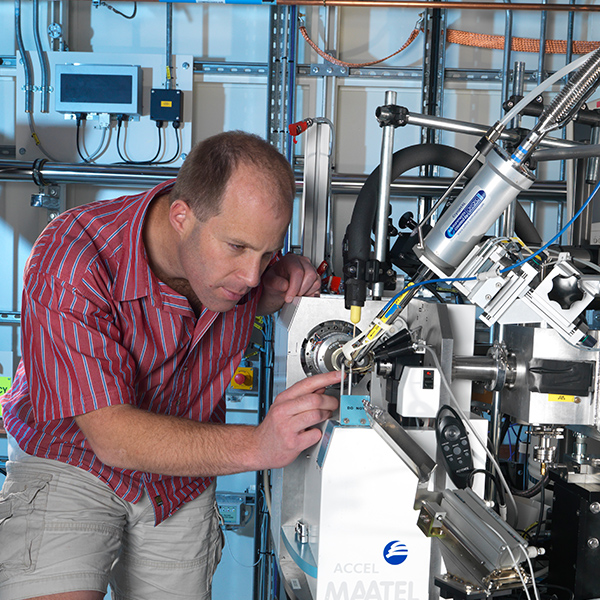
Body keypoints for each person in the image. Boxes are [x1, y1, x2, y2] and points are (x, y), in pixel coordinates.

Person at [0, 131, 341, 600]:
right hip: (74, 462)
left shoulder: (235, 267)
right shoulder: (74, 256)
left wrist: (282, 281)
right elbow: (113, 438)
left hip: (179, 481)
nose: (249, 275)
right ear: (182, 216)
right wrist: (258, 445)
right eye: (238, 247)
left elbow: (257, 280)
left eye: (265, 253)